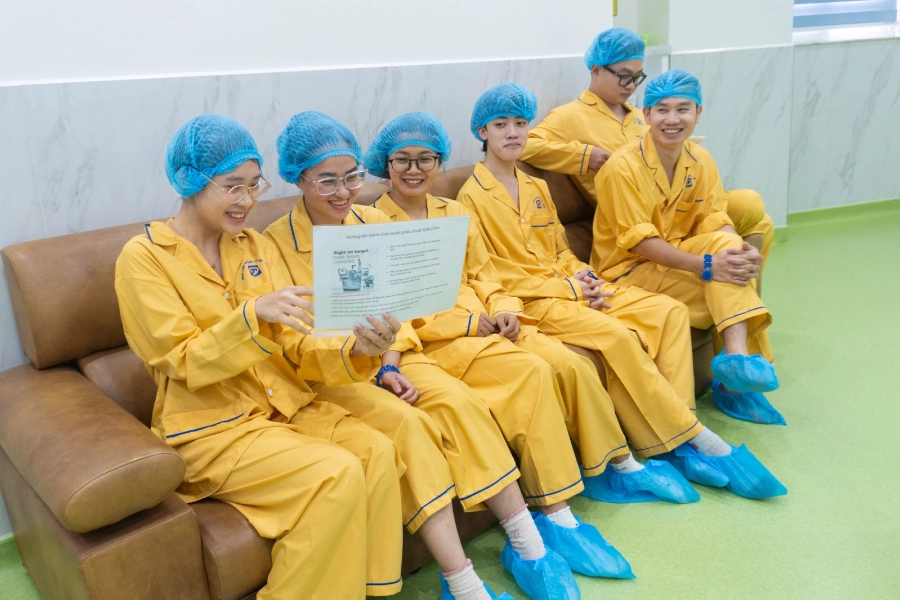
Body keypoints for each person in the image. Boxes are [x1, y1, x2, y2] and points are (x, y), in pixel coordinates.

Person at [265, 111, 587, 600]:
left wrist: (389, 363)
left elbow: (399, 308)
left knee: (458, 402)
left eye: (351, 177)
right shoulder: (272, 246)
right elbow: (293, 342)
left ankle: (528, 545)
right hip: (328, 373)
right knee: (411, 426)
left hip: (391, 357)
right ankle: (462, 582)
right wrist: (359, 356)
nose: (342, 192)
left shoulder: (374, 222)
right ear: (298, 177)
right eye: (326, 180)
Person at [114, 115, 404, 599]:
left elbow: (296, 343)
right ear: (189, 181)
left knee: (377, 451)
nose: (247, 200)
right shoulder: (144, 258)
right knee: (334, 473)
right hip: (212, 428)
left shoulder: (254, 246)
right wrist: (252, 316)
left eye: (254, 185)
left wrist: (357, 348)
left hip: (285, 407)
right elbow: (180, 358)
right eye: (233, 186)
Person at [458, 84, 786, 499]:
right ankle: (692, 439)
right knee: (616, 336)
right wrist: (568, 287)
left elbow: (561, 250)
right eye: (500, 125)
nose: (513, 133)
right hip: (535, 302)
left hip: (578, 286)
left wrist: (587, 278)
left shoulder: (537, 187)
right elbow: (493, 273)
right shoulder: (470, 197)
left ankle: (680, 434)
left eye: (521, 124)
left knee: (668, 312)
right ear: (482, 132)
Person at [365, 111, 703, 510]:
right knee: (538, 370)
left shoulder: (453, 213)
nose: (414, 169)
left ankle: (617, 465)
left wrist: (504, 309)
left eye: (426, 159)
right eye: (402, 160)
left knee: (572, 364)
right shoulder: (371, 224)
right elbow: (390, 307)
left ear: (439, 161)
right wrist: (468, 322)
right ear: (385, 164)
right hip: (447, 338)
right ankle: (562, 504)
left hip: (497, 321)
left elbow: (486, 275)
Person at [591, 70, 787, 428]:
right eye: (662, 110)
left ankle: (736, 358)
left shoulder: (701, 159)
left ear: (698, 113)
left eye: (683, 109)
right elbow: (643, 243)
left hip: (676, 256)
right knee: (724, 275)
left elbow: (715, 218)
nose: (672, 119)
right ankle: (735, 380)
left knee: (731, 255)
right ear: (646, 115)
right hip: (629, 271)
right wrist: (708, 265)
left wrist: (737, 249)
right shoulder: (622, 168)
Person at [519, 27, 775, 286]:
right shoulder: (569, 116)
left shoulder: (640, 115)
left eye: (637, 77)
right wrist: (584, 156)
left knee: (755, 214)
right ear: (596, 70)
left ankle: (743, 295)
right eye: (623, 76)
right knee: (746, 220)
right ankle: (735, 292)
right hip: (631, 212)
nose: (631, 85)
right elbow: (523, 144)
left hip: (673, 206)